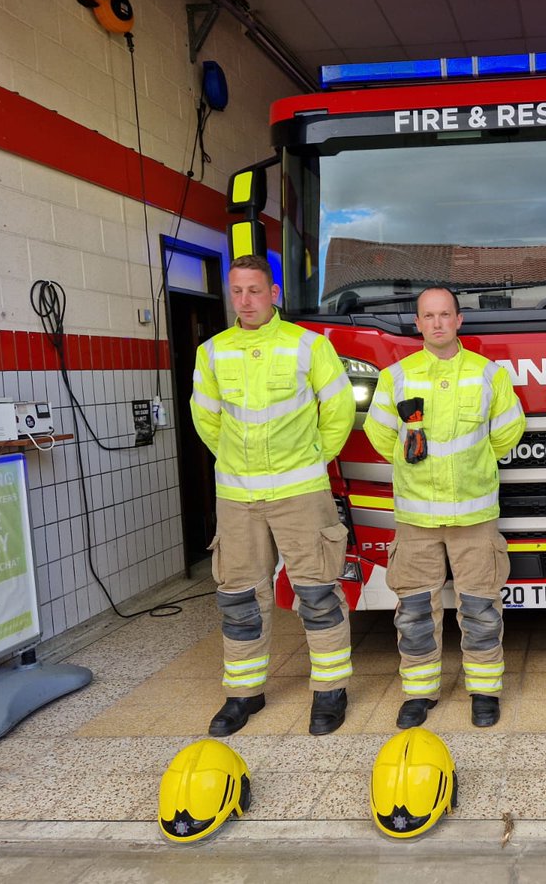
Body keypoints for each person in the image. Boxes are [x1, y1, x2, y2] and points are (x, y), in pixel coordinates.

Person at [190, 254, 356, 737]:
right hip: (238, 496)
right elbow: (207, 418)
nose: (245, 301)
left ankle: (330, 692)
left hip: (301, 491)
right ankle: (244, 693)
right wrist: (236, 462)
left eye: (255, 290)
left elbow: (339, 407)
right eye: (237, 291)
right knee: (239, 596)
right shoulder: (212, 352)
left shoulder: (308, 345)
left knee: (318, 592)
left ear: (274, 294)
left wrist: (314, 454)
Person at [363, 287, 525, 729]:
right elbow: (381, 437)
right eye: (428, 316)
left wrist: (471, 466)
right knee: (415, 609)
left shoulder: (488, 374)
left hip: (474, 516)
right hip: (416, 517)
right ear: (418, 324)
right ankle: (419, 693)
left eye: (445, 315)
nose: (437, 323)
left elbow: (508, 432)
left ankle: (484, 690)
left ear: (459, 320)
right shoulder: (395, 377)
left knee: (480, 606)